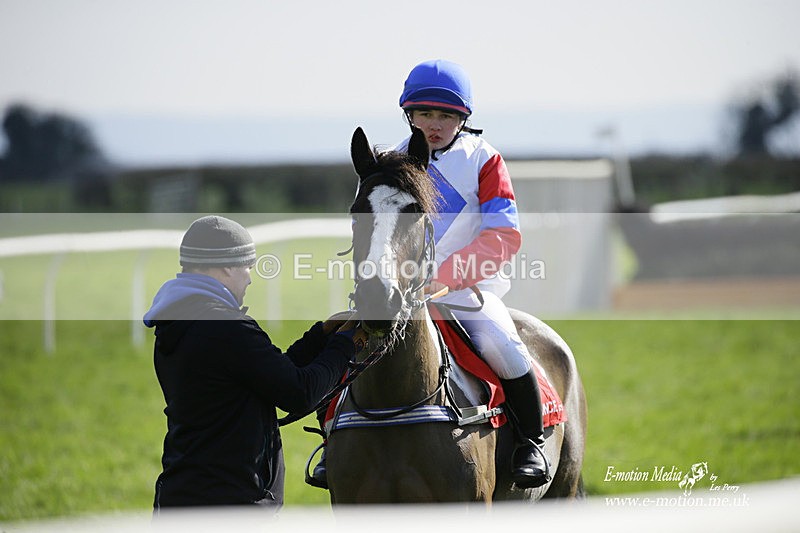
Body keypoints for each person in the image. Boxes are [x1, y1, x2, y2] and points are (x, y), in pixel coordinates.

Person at [396, 59, 550, 489]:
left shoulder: (485, 159)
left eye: (446, 115)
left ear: (463, 118)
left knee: (506, 347)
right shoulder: (390, 160)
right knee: (347, 342)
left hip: (466, 293)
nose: (434, 124)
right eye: (425, 113)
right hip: (398, 294)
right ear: (409, 114)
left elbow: (503, 234)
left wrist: (447, 275)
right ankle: (335, 439)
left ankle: (530, 442)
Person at [144, 215, 364, 511]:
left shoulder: (177, 322)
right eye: (247, 267)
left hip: (185, 495)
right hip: (230, 505)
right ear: (226, 267)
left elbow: (266, 376)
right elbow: (300, 393)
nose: (249, 277)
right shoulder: (227, 326)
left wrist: (319, 337)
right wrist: (346, 344)